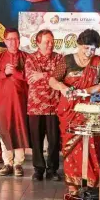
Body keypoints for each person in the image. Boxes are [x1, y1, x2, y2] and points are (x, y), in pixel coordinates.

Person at [49, 29, 100, 193]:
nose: (89, 52)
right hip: (70, 110)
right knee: (71, 147)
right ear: (78, 45)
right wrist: (62, 88)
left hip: (91, 112)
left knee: (93, 146)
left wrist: (86, 91)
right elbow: (53, 80)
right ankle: (73, 185)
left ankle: (93, 184)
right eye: (85, 48)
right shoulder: (67, 60)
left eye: (92, 49)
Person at [0, 28, 30, 177]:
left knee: (20, 129)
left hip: (21, 101)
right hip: (4, 102)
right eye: (10, 39)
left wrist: (16, 73)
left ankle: (18, 163)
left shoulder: (27, 57)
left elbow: (31, 78)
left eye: (16, 39)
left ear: (19, 40)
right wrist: (3, 73)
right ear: (5, 41)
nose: (13, 42)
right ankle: (7, 163)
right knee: (5, 129)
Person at [25, 29, 62, 181]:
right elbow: (29, 78)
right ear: (38, 43)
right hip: (36, 106)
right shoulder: (30, 58)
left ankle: (52, 169)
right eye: (47, 42)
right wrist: (50, 75)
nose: (50, 45)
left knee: (54, 140)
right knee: (36, 139)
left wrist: (42, 75)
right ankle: (38, 169)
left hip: (54, 105)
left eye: (52, 41)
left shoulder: (59, 58)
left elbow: (60, 75)